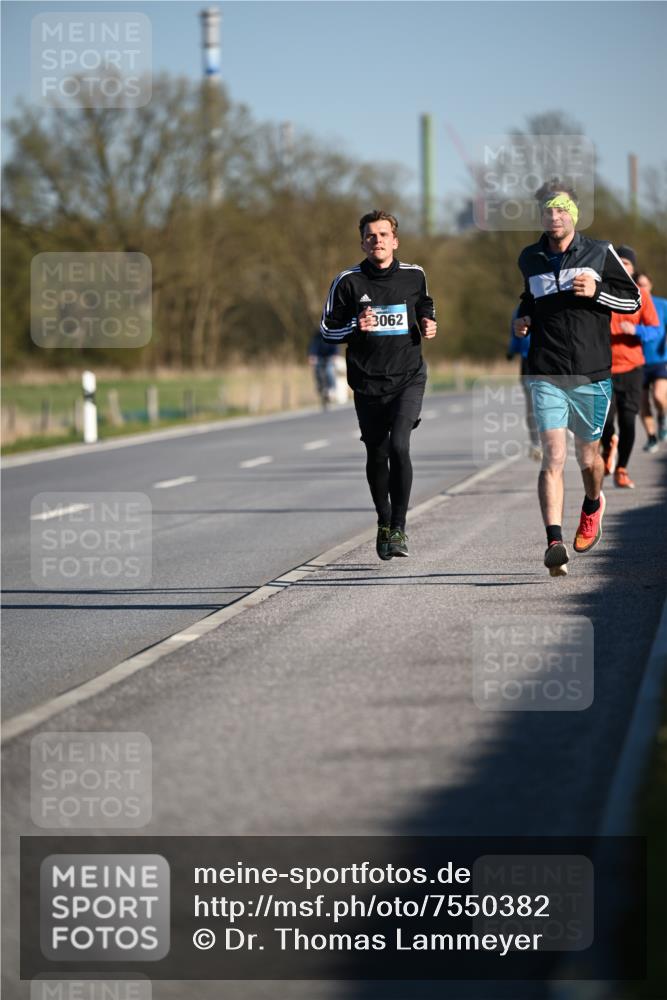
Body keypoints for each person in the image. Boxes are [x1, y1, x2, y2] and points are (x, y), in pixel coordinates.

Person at [514, 181, 641, 577]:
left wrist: (598, 291)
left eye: (561, 209)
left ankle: (592, 503)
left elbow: (633, 300)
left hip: (591, 371)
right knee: (553, 456)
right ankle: (554, 543)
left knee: (588, 460)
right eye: (547, 210)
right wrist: (523, 318)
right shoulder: (530, 257)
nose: (555, 216)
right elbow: (530, 297)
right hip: (546, 370)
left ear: (574, 212)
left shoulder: (599, 252)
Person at [320, 210, 436, 560]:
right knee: (377, 452)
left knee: (399, 445)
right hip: (368, 381)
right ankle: (383, 521)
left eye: (384, 234)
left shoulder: (414, 275)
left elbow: (425, 303)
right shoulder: (347, 281)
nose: (378, 240)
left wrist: (428, 321)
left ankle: (398, 527)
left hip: (408, 377)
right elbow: (327, 330)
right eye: (371, 236)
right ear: (363, 243)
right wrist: (355, 325)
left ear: (394, 241)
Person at [599, 246, 660, 487]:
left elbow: (655, 330)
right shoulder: (602, 291)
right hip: (604, 367)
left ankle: (622, 469)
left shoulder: (641, 295)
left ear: (633, 269)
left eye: (627, 263)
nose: (623, 266)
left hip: (632, 368)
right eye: (619, 262)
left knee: (627, 421)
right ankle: (608, 446)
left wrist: (636, 330)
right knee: (605, 420)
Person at [635, 271, 667, 453]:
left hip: (659, 359)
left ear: (651, 286)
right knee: (643, 403)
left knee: (659, 397)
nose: (642, 288)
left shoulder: (662, 304)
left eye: (644, 285)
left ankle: (662, 416)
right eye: (638, 285)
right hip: (637, 362)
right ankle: (652, 437)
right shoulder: (630, 305)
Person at [507, 306, 541, 461]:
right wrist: (511, 350)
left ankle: (538, 443)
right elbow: (515, 334)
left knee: (535, 407)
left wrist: (511, 351)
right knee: (533, 407)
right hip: (530, 362)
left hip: (541, 362)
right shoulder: (522, 309)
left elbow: (515, 336)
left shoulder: (522, 308)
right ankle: (536, 444)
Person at [308, 331, 339, 408]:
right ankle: (320, 388)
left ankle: (331, 389)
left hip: (329, 357)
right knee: (317, 371)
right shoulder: (317, 336)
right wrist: (312, 355)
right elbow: (314, 346)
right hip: (320, 358)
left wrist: (335, 355)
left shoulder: (331, 334)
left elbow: (335, 346)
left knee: (329, 371)